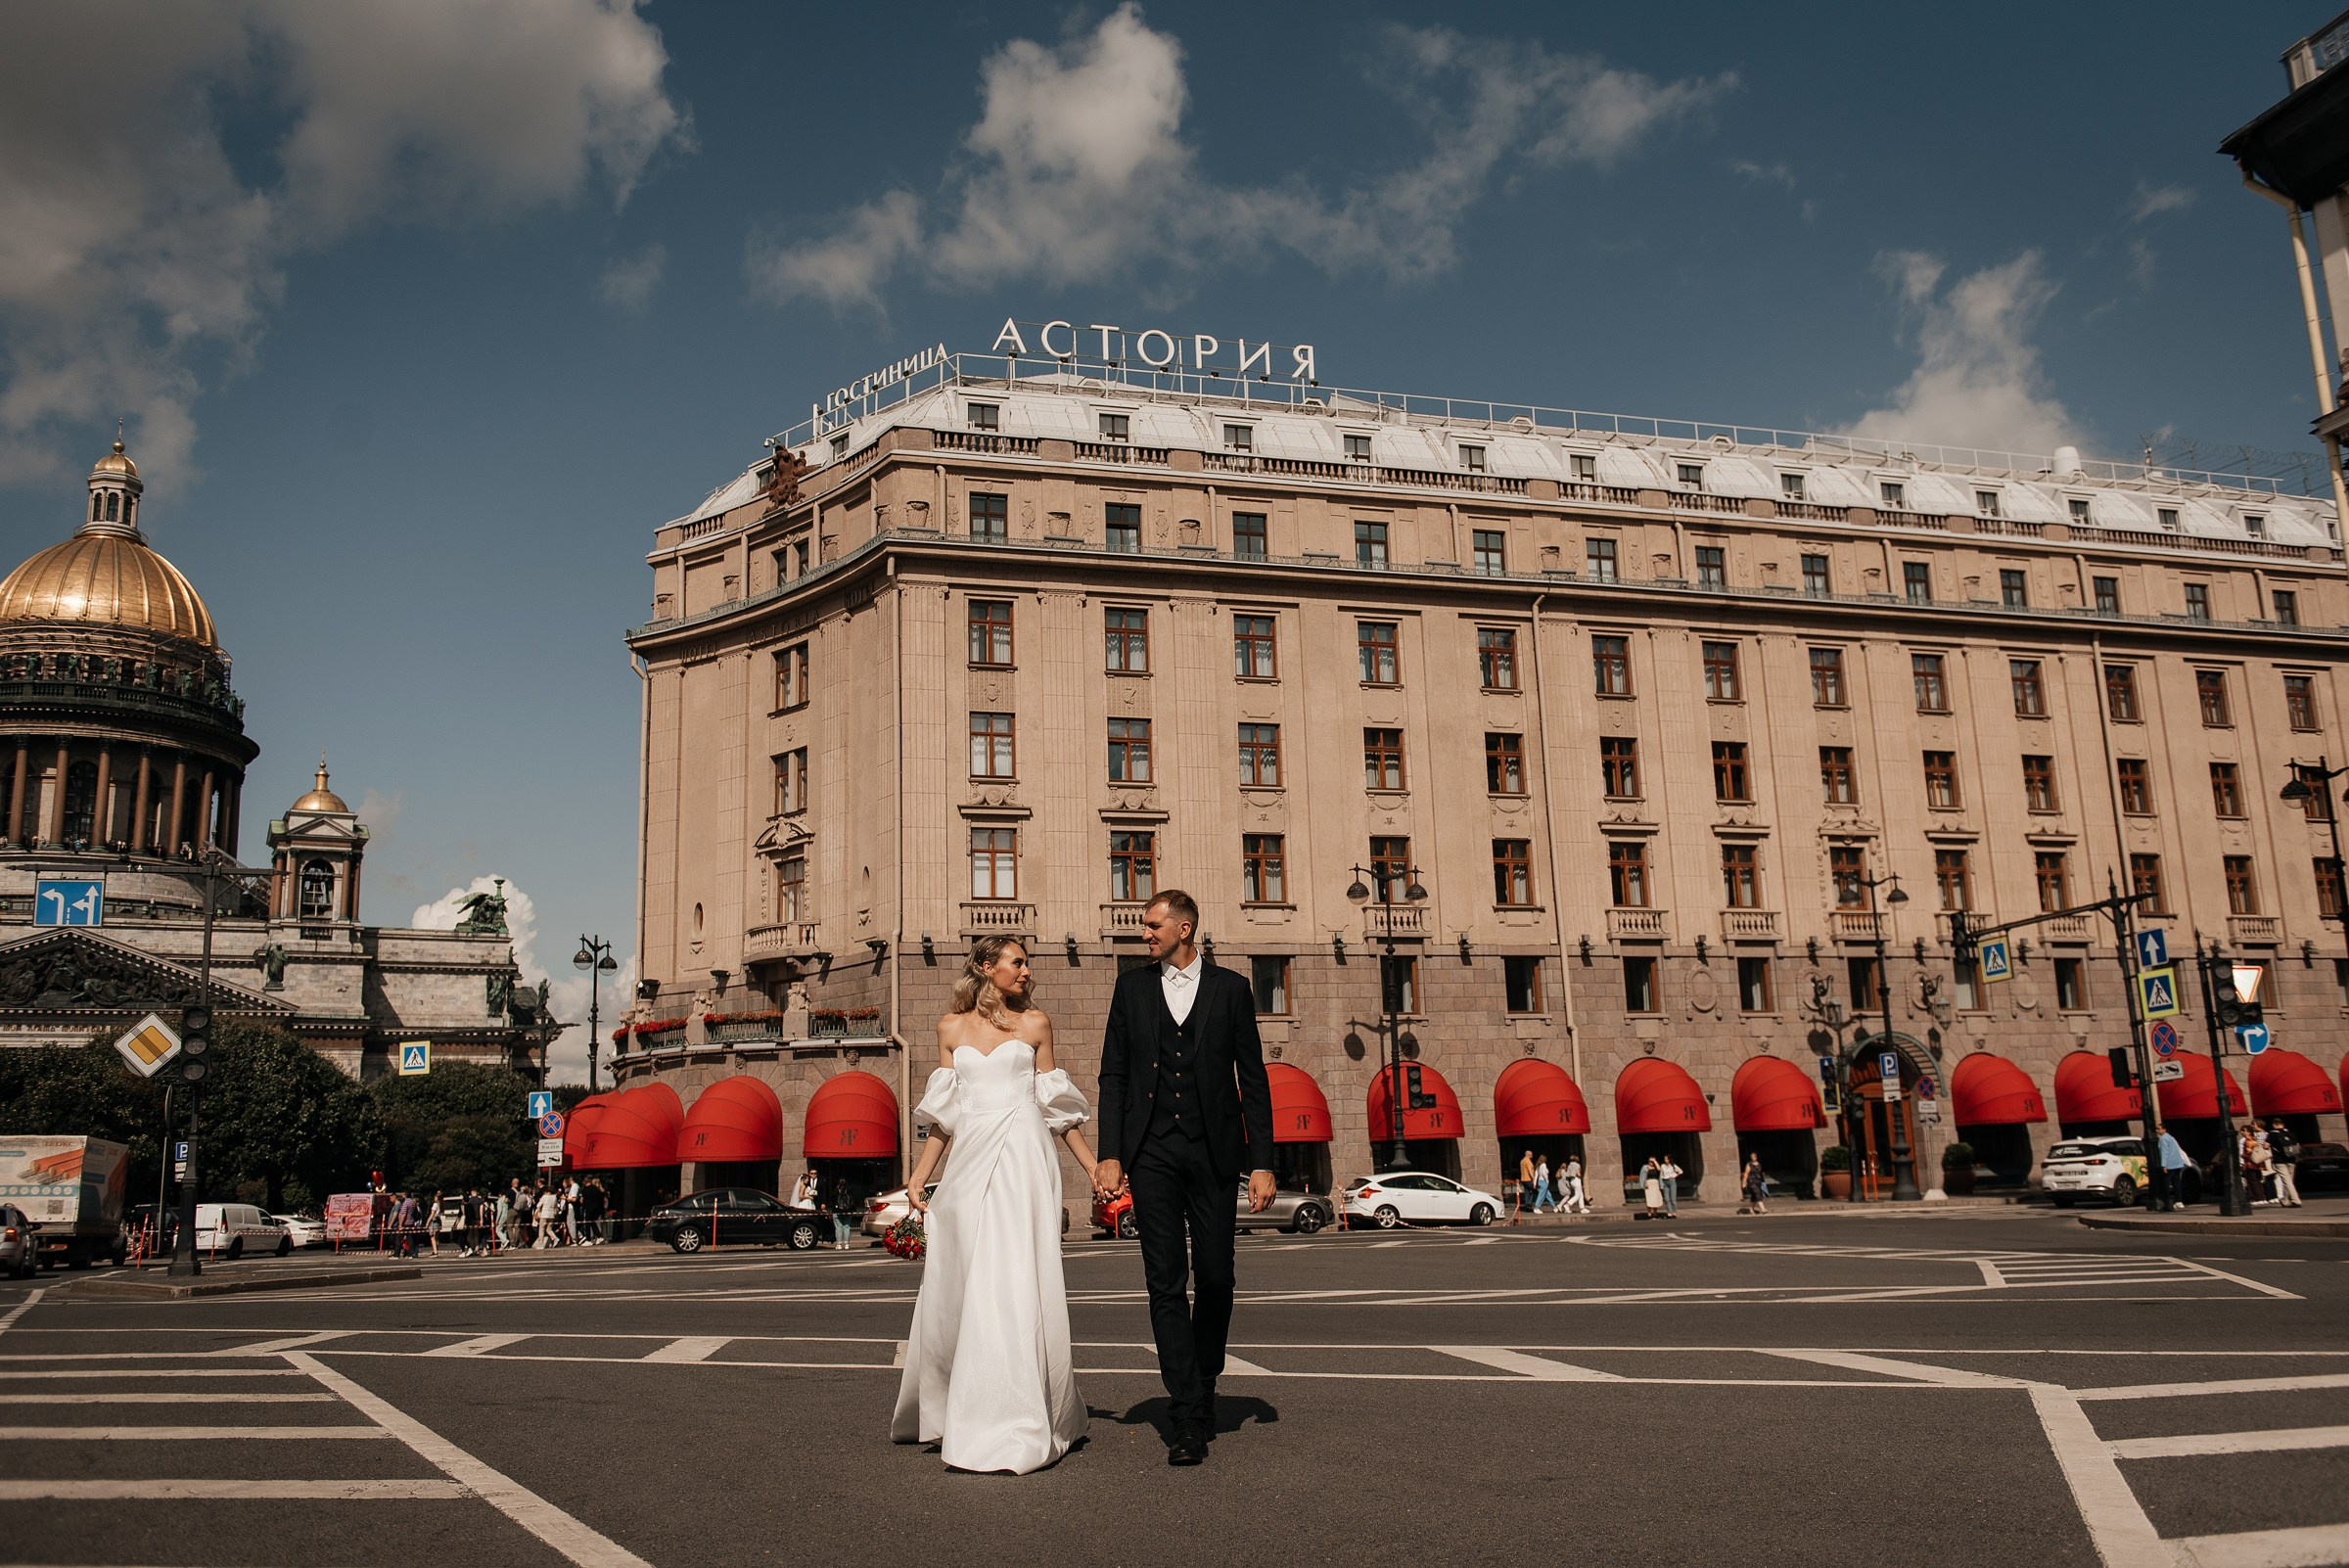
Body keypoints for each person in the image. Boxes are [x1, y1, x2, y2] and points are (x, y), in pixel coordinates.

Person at [892, 934, 1099, 1474]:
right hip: (967, 1161)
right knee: (957, 1277)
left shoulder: (1035, 1024)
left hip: (1025, 1156)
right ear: (987, 967)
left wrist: (1094, 1167)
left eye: (1027, 963)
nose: (1027, 971)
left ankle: (1020, 1414)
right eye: (1017, 962)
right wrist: (918, 1175)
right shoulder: (949, 1027)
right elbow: (944, 1117)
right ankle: (946, 1407)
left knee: (1010, 1277)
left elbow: (1056, 1110)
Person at [1090, 890, 1275, 1468]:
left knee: (1217, 1278)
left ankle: (1205, 1373)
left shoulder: (1232, 989)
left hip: (1215, 1153)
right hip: (1152, 1155)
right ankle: (1189, 1410)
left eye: (1152, 925)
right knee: (1164, 1282)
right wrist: (1111, 1154)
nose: (1144, 933)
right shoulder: (1130, 988)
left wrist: (1263, 1161)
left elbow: (1254, 1078)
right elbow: (1113, 1075)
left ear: (1184, 928)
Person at [2269, 1120, 2303, 1208]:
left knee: (2286, 1181)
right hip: (2291, 1159)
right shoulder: (2290, 1133)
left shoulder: (2273, 1134)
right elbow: (2297, 1145)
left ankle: (2296, 1200)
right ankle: (2284, 1200)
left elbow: (2265, 1145)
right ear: (2282, 1124)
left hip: (2279, 1160)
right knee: (2289, 1181)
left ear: (2274, 1125)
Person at [2156, 1128, 2189, 1211]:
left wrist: (2164, 1165)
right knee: (2176, 1182)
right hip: (2177, 1163)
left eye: (2159, 1129)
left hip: (2170, 1164)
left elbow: (2164, 1152)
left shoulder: (2163, 1139)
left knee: (2165, 1182)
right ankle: (2179, 1201)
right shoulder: (2171, 1138)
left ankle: (2166, 1201)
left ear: (2164, 1129)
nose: (2157, 1131)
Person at [534, 1182, 562, 1246]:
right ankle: (555, 1238)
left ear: (546, 1191)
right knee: (549, 1229)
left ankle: (541, 1243)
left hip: (544, 1214)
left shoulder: (544, 1197)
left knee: (541, 1229)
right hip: (551, 1215)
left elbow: (538, 1205)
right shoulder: (554, 1197)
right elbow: (556, 1206)